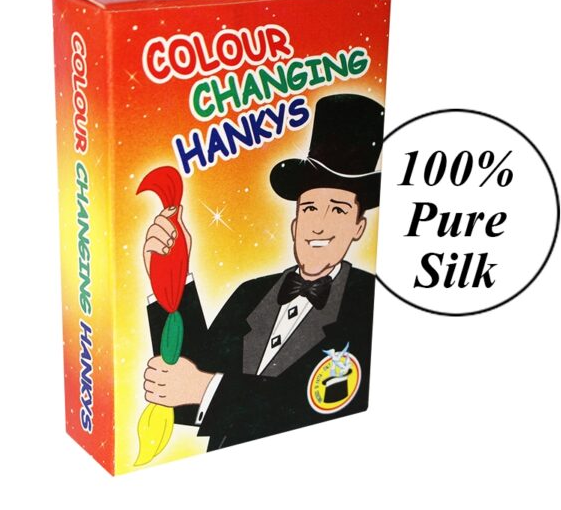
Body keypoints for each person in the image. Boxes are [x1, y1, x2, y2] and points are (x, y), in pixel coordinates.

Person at [142, 93, 384, 451]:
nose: (318, 225)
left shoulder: (369, 300)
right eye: (309, 208)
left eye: (337, 211)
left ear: (358, 227)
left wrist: (205, 388)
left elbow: (320, 408)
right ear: (294, 223)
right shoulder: (252, 293)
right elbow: (187, 395)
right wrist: (169, 278)